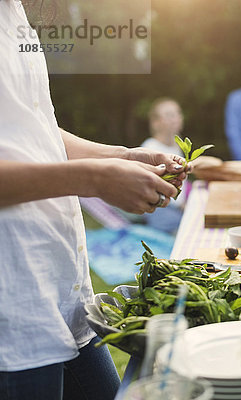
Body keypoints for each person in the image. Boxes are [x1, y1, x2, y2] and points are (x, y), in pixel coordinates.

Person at [0, 1, 189, 398]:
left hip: (64, 293)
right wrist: (94, 178)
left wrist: (123, 156)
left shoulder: (15, 13)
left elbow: (37, 132)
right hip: (13, 312)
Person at [141, 97, 186, 234]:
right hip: (160, 207)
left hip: (177, 206)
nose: (175, 118)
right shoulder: (149, 148)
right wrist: (181, 205)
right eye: (169, 115)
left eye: (177, 114)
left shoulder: (178, 146)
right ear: (155, 123)